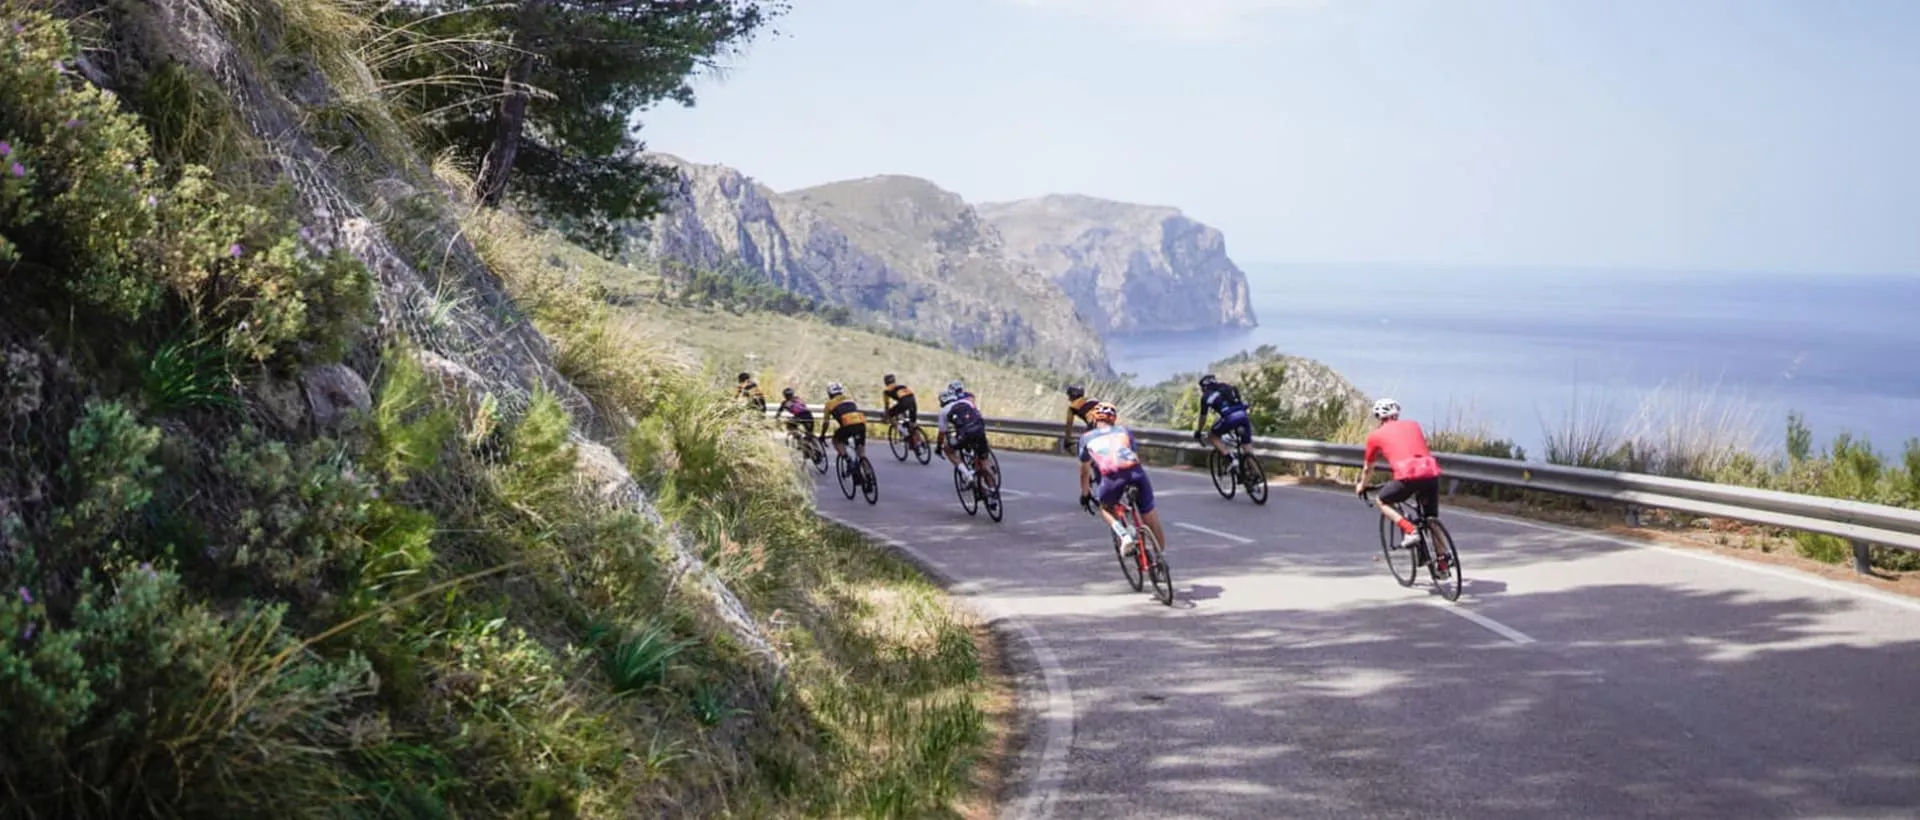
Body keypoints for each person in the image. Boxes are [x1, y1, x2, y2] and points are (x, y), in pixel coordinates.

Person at [1355, 398, 1445, 561]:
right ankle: (1443, 560)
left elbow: (1368, 468)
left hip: (1407, 477)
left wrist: (1362, 485)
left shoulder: (1375, 436)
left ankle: (1410, 530)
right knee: (1431, 519)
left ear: (1378, 417)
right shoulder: (1413, 425)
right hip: (1431, 473)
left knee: (1381, 500)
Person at [1077, 403, 1167, 558]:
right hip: (1136, 473)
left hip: (1111, 477)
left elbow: (1085, 471)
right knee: (1149, 514)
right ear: (1114, 419)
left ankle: (1124, 536)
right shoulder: (1125, 431)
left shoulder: (1086, 438)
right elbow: (1133, 455)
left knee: (1105, 508)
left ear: (1094, 419)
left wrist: (1085, 494)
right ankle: (1161, 557)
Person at [937, 387, 996, 489]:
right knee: (983, 460)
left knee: (948, 449)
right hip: (979, 430)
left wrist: (939, 446)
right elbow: (978, 415)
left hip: (965, 434)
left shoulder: (943, 411)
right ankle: (993, 489)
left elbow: (942, 432)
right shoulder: (966, 402)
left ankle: (967, 475)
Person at [1192, 373, 1253, 471]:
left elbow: (1203, 417)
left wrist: (1199, 431)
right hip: (1243, 415)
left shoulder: (1206, 396)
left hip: (1230, 418)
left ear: (1204, 387)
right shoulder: (1228, 387)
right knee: (1247, 449)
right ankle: (1256, 474)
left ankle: (1231, 459)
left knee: (1212, 436)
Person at [824, 382, 870, 486]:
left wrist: (822, 435)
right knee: (861, 453)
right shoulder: (850, 399)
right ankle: (869, 476)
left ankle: (848, 460)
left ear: (829, 393)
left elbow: (826, 423)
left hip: (847, 425)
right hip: (861, 424)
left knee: (836, 440)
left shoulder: (829, 404)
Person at [881, 373, 925, 450]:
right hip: (913, 401)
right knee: (912, 424)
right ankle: (921, 442)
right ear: (894, 380)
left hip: (903, 403)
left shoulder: (886, 391)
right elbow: (905, 397)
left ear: (885, 382)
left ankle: (904, 433)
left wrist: (885, 416)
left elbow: (886, 405)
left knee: (890, 416)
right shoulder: (902, 387)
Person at [1059, 384, 1102, 453]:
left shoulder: (1072, 407)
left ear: (1073, 395)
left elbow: (1069, 426)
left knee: (1086, 448)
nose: (1068, 398)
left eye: (1069, 396)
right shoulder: (1093, 399)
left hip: (1095, 424)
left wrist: (1067, 442)